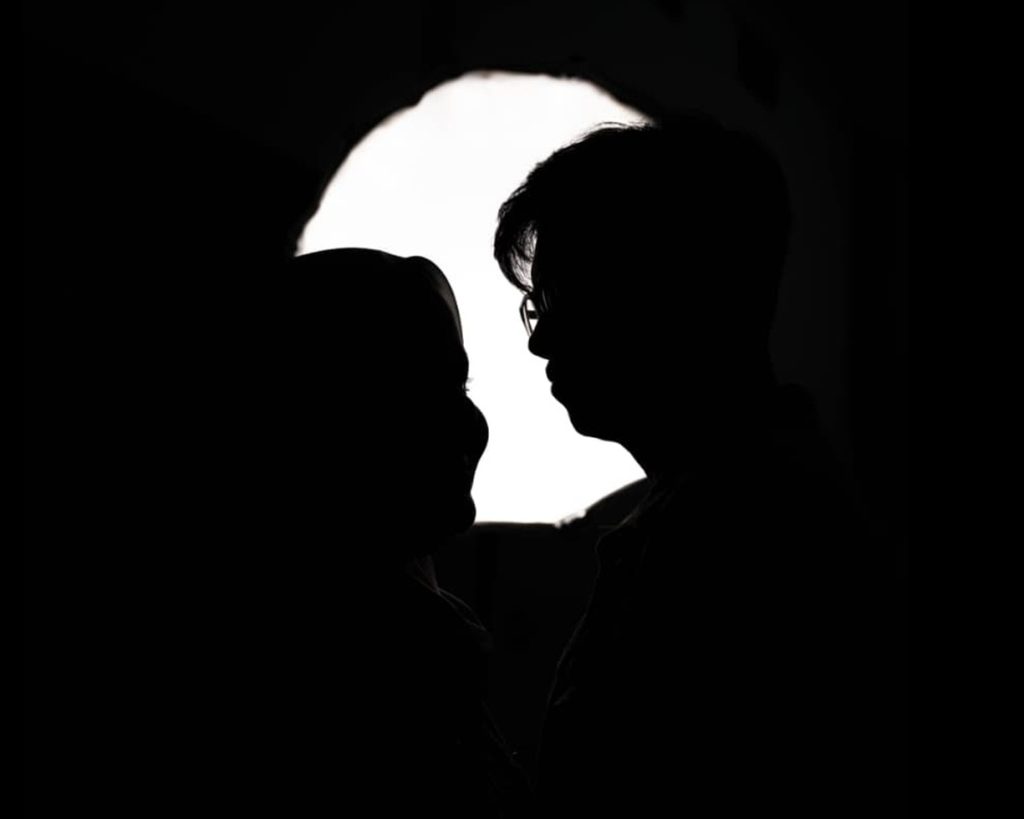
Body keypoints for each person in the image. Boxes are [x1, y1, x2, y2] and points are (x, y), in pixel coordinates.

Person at [493, 118, 905, 816]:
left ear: (675, 293)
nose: (541, 341)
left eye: (567, 299)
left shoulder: (748, 543)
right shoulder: (733, 505)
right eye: (537, 307)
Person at [231, 248, 531, 816]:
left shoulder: (428, 643)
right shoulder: (364, 675)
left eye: (462, 387)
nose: (470, 425)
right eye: (412, 391)